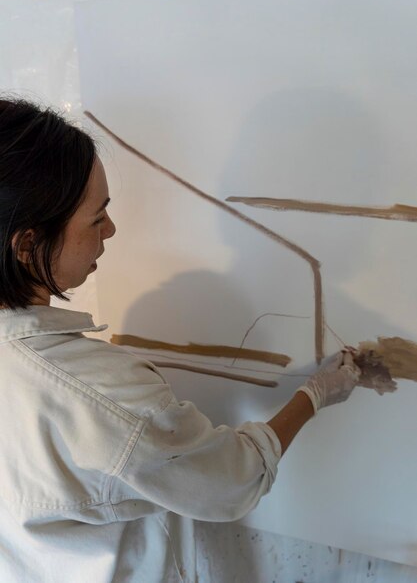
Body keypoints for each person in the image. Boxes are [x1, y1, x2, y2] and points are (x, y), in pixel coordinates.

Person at [0, 97, 360, 583]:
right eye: (96, 217)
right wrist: (314, 395)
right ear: (26, 245)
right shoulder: (98, 392)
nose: (111, 229)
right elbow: (231, 480)